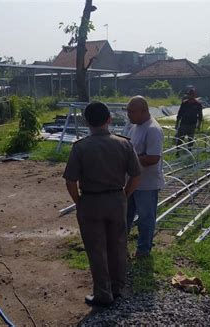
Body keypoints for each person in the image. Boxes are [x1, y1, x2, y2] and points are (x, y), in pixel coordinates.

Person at [63, 101, 141, 307]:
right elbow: (136, 175)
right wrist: (125, 194)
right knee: (118, 245)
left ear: (86, 121)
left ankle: (103, 293)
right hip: (116, 200)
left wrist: (79, 202)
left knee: (96, 249)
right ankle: (118, 288)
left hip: (90, 201)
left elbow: (70, 181)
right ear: (109, 119)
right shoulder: (124, 144)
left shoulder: (80, 147)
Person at [125, 96, 165, 257]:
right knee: (125, 215)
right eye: (128, 112)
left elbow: (153, 158)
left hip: (147, 184)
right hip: (132, 182)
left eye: (132, 112)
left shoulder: (153, 129)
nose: (129, 116)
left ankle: (143, 249)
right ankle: (121, 244)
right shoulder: (135, 126)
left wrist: (130, 159)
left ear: (144, 111)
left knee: (145, 218)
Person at [175, 87, 203, 151]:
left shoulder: (197, 104)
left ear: (194, 95)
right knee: (180, 138)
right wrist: (177, 123)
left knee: (190, 139)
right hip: (183, 124)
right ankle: (178, 151)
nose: (190, 96)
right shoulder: (184, 103)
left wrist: (199, 125)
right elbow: (180, 114)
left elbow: (200, 115)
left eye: (191, 94)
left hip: (192, 124)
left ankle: (189, 151)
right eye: (189, 94)